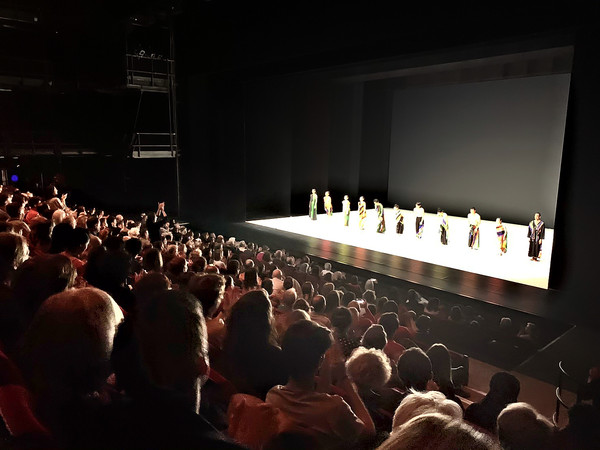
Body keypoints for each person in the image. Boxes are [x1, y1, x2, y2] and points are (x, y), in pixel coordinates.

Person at [265, 320, 375, 449]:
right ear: (320, 361)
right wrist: (345, 381)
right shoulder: (335, 408)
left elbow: (316, 397)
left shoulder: (272, 396)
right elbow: (369, 433)